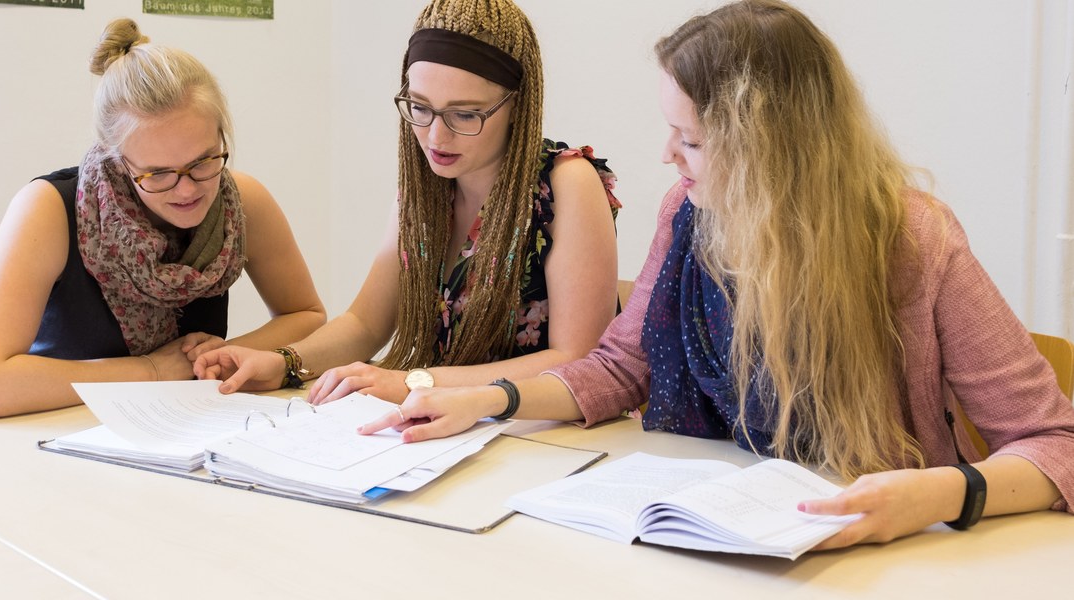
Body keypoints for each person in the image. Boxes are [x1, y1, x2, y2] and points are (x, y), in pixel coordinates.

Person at [360, 0, 1074, 550]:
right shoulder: (689, 212)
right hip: (719, 531)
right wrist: (490, 398)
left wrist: (939, 495)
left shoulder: (914, 239)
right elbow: (617, 368)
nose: (668, 154)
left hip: (877, 548)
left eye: (692, 138)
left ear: (771, 146)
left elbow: (1056, 445)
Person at [195, 0, 621, 404]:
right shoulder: (426, 188)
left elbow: (577, 361)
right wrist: (284, 362)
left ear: (517, 106)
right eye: (419, 107)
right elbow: (365, 324)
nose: (436, 137)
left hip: (543, 437)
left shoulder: (567, 184)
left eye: (465, 115)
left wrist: (414, 381)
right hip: (448, 428)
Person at [0, 19, 325, 420]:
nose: (186, 190)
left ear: (222, 136)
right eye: (158, 173)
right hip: (54, 434)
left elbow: (307, 316)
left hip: (186, 425)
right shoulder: (49, 208)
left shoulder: (242, 200)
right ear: (117, 160)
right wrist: (151, 370)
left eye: (203, 161)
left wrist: (232, 351)